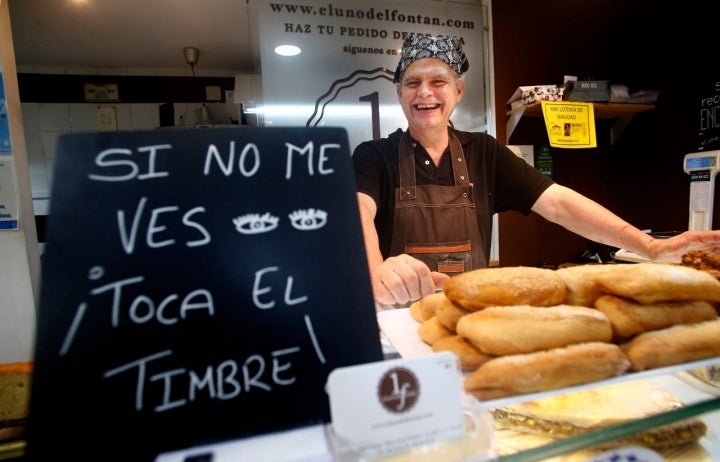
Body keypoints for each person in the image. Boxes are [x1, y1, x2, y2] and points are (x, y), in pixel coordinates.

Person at [352, 33, 720, 310]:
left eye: (438, 81)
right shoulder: (374, 156)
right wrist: (373, 272)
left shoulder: (482, 151)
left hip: (467, 314)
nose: (424, 93)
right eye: (413, 83)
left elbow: (558, 202)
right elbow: (357, 213)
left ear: (459, 90)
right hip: (398, 315)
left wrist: (650, 247)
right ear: (400, 93)